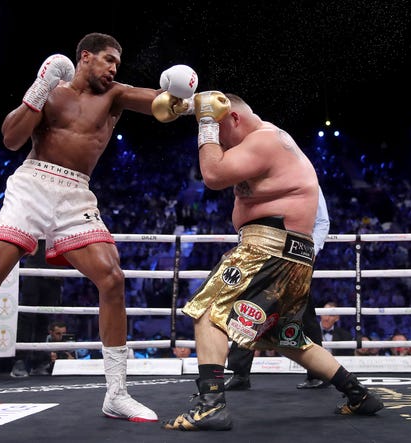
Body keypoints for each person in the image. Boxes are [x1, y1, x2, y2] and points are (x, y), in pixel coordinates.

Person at [0, 32, 198, 425]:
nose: (114, 68)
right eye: (108, 60)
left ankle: (116, 394)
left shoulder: (115, 95)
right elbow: (12, 138)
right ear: (85, 57)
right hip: (32, 185)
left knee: (113, 278)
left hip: (76, 195)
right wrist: (39, 86)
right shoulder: (51, 93)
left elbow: (161, 106)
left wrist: (190, 99)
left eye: (117, 63)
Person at [163, 92, 383, 431]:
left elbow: (212, 174)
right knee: (287, 337)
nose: (218, 142)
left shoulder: (264, 139)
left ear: (233, 119)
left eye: (220, 132)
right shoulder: (265, 141)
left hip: (268, 247)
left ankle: (210, 405)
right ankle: (359, 395)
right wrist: (187, 106)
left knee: (208, 312)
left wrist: (206, 124)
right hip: (292, 254)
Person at [224, 186, 331, 391]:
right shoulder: (262, 182)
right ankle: (240, 373)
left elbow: (322, 221)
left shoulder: (307, 182)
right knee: (249, 306)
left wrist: (313, 250)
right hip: (262, 253)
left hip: (295, 255)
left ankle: (319, 373)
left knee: (303, 310)